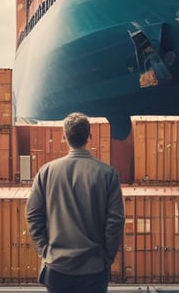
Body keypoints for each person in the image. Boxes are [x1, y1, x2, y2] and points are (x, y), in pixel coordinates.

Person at [26, 112, 124, 293]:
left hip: (57, 266)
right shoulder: (107, 174)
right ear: (90, 137)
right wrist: (106, 257)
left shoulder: (46, 172)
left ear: (64, 136)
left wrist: (45, 251)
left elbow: (33, 215)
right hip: (94, 268)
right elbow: (115, 221)